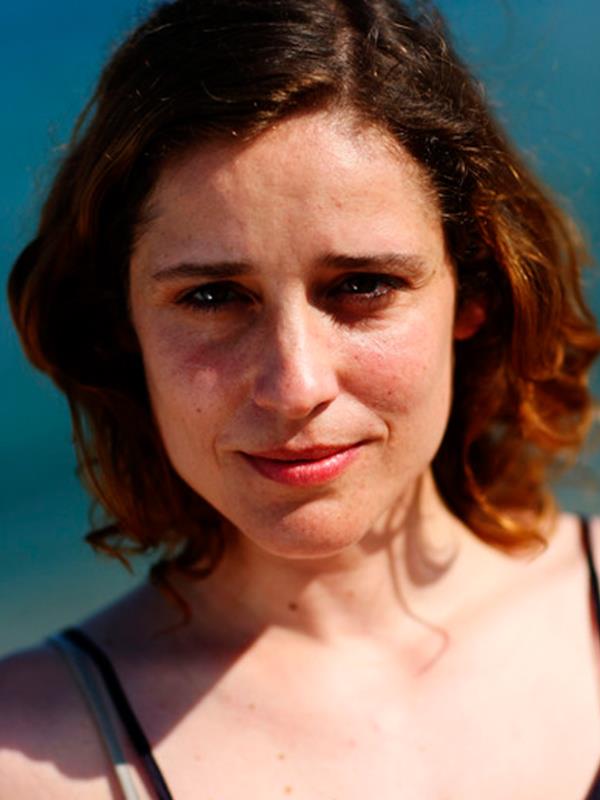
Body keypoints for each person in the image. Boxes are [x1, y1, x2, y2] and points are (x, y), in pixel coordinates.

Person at [2, 0, 600, 797]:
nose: (295, 386)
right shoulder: (25, 758)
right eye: (213, 297)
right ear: (121, 326)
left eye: (362, 286)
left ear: (476, 291)